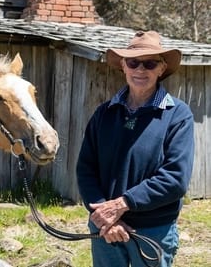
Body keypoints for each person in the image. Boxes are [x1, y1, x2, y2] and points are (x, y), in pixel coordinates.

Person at [76, 31, 194, 267]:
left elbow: (175, 178)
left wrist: (121, 205)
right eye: (134, 62)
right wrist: (106, 219)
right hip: (104, 229)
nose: (141, 70)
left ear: (161, 69)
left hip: (153, 231)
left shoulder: (177, 116)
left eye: (150, 63)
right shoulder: (104, 113)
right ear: (123, 65)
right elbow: (86, 169)